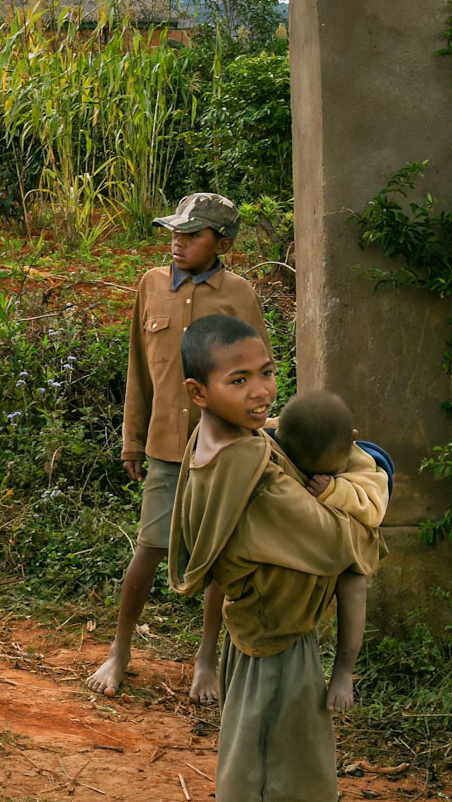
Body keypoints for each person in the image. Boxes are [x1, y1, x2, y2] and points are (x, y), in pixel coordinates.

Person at [168, 316, 384, 802]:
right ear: (198, 393)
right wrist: (364, 510)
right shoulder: (258, 481)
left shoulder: (217, 441)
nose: (261, 392)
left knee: (253, 759)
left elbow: (278, 430)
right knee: (289, 773)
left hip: (252, 633)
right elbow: (337, 546)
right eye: (239, 381)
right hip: (280, 647)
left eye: (267, 372)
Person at [88, 191, 268, 700]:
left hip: (225, 449)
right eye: (175, 231)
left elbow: (259, 377)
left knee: (219, 555)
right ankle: (120, 651)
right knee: (149, 548)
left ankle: (205, 658)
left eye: (193, 235)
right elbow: (139, 370)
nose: (178, 242)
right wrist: (132, 440)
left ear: (222, 243)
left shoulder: (239, 294)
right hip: (166, 447)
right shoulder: (150, 286)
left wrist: (258, 435)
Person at [271, 389, 390, 711]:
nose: (316, 476)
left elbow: (373, 509)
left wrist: (334, 489)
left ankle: (343, 670)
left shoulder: (365, 463)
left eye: (328, 469)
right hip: (306, 540)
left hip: (346, 549)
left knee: (354, 586)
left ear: (353, 440)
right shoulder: (284, 435)